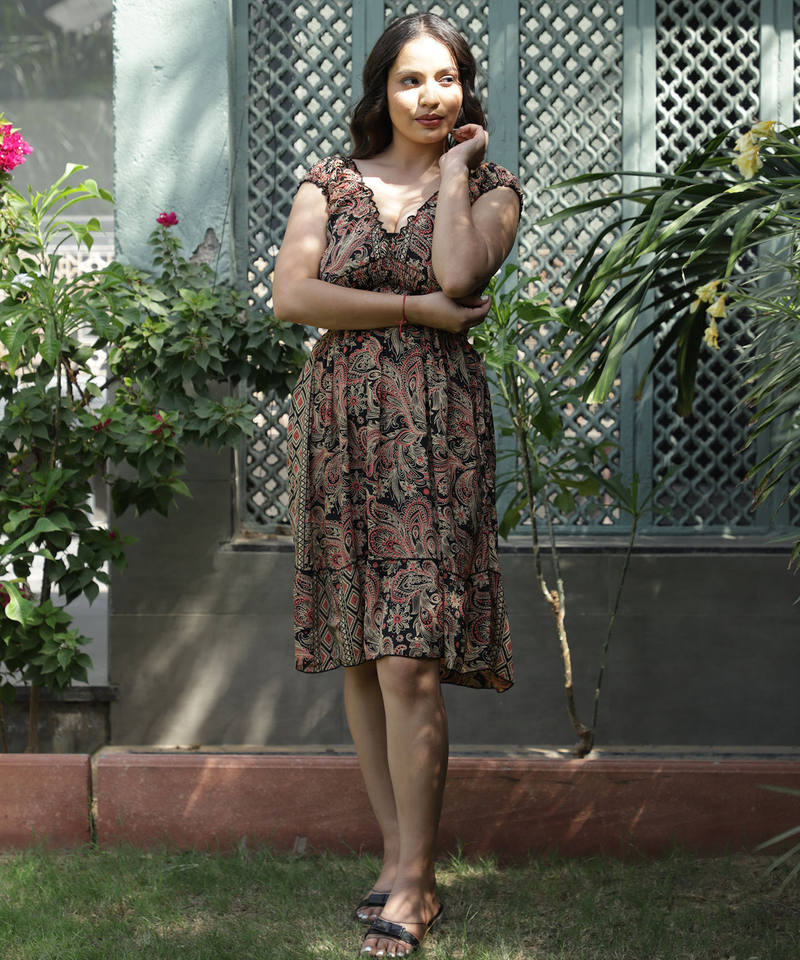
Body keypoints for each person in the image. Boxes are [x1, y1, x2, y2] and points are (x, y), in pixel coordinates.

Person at [274, 12, 521, 957]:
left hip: (436, 435)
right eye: (411, 79)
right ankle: (395, 856)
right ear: (382, 89)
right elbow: (294, 296)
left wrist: (455, 172)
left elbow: (461, 272)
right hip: (341, 432)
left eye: (446, 78)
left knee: (411, 657)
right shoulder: (330, 182)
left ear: (466, 89)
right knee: (364, 653)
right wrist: (414, 309)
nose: (430, 96)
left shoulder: (491, 189)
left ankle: (418, 882)